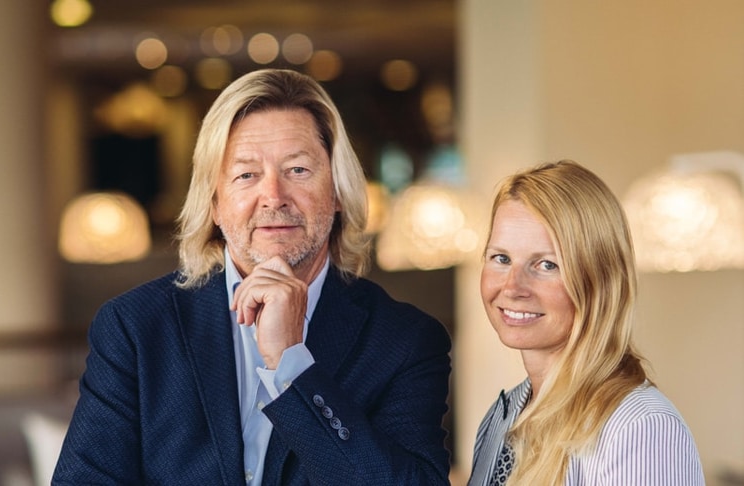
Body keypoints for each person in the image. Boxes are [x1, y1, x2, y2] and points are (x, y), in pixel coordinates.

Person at [53, 68, 452, 485]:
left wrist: (292, 367)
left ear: (337, 191)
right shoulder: (134, 328)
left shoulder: (404, 340)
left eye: (298, 170)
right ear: (214, 202)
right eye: (246, 175)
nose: (274, 197)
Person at [468, 161, 704, 485]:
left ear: (600, 279)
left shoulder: (640, 427)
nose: (512, 287)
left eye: (547, 264)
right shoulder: (501, 418)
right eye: (501, 258)